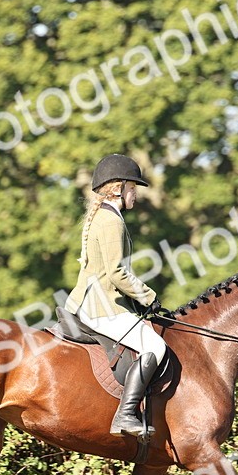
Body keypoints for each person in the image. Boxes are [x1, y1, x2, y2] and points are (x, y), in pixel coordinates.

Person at [65, 154, 167, 438]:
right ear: (118, 188)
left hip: (93, 301)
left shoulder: (104, 215)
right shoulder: (111, 220)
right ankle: (125, 415)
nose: (136, 194)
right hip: (101, 307)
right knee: (155, 347)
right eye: (133, 188)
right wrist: (149, 297)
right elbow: (116, 272)